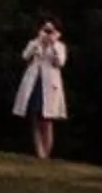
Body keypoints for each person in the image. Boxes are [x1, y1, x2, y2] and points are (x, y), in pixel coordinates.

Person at [14, 17, 68, 160]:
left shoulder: (60, 46)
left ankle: (46, 153)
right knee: (35, 119)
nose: (47, 33)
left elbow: (60, 63)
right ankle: (40, 153)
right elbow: (25, 56)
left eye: (51, 30)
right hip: (34, 83)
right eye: (45, 29)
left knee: (47, 120)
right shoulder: (34, 43)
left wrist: (53, 44)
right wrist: (38, 42)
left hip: (49, 86)